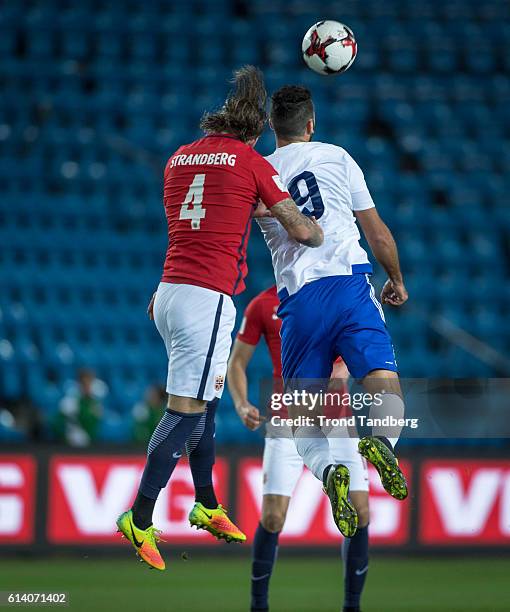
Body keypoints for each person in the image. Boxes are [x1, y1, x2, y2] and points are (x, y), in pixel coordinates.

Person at [116, 67, 324, 571]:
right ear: (253, 133)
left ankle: (207, 504)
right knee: (185, 411)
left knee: (206, 404)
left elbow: (206, 214)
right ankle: (139, 518)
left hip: (168, 291)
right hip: (206, 299)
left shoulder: (178, 158)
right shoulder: (250, 161)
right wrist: (315, 231)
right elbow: (298, 227)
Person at [256, 85, 409, 540]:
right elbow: (375, 229)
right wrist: (396, 280)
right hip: (349, 284)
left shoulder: (259, 171)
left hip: (299, 303)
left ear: (272, 126)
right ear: (310, 124)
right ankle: (381, 443)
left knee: (301, 416)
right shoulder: (338, 157)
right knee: (384, 380)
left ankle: (327, 474)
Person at [228, 286, 370, 612]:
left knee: (361, 512)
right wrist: (240, 402)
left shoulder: (332, 293)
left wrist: (344, 369)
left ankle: (352, 606)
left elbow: (357, 344)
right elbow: (237, 363)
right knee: (273, 517)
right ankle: (258, 606)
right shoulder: (262, 305)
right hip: (286, 418)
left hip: (338, 419)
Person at [54, 368, 106, 446]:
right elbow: (58, 424)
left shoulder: (95, 401)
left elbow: (97, 419)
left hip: (92, 442)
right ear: (80, 384)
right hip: (73, 442)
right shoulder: (70, 401)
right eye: (85, 383)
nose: (88, 386)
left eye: (90, 383)